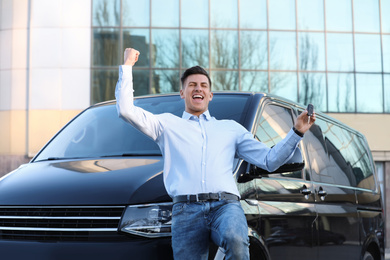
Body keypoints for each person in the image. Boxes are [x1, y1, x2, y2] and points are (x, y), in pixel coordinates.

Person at [115, 48, 316, 260]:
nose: (197, 88)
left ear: (210, 95)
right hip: (185, 210)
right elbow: (126, 110)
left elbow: (270, 160)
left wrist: (297, 132)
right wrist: (127, 66)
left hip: (225, 206)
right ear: (182, 93)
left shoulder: (231, 129)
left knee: (236, 240)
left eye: (203, 85)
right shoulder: (166, 125)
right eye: (191, 85)